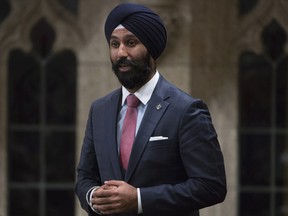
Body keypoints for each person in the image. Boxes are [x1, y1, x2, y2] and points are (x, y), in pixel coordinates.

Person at [75, 2, 226, 216]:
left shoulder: (186, 110)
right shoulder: (100, 110)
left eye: (131, 42)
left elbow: (211, 186)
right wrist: (93, 196)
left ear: (151, 50)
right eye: (114, 44)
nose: (121, 53)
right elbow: (85, 177)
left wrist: (138, 199)